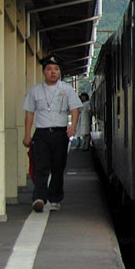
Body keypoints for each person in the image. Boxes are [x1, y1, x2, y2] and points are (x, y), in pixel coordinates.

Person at [22, 55, 82, 212]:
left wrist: (73, 126)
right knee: (40, 166)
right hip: (42, 134)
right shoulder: (35, 90)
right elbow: (29, 114)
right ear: (43, 71)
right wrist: (27, 134)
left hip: (60, 133)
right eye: (49, 69)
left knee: (58, 167)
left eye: (56, 69)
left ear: (60, 72)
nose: (53, 72)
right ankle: (39, 198)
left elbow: (75, 109)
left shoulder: (67, 89)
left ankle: (55, 198)